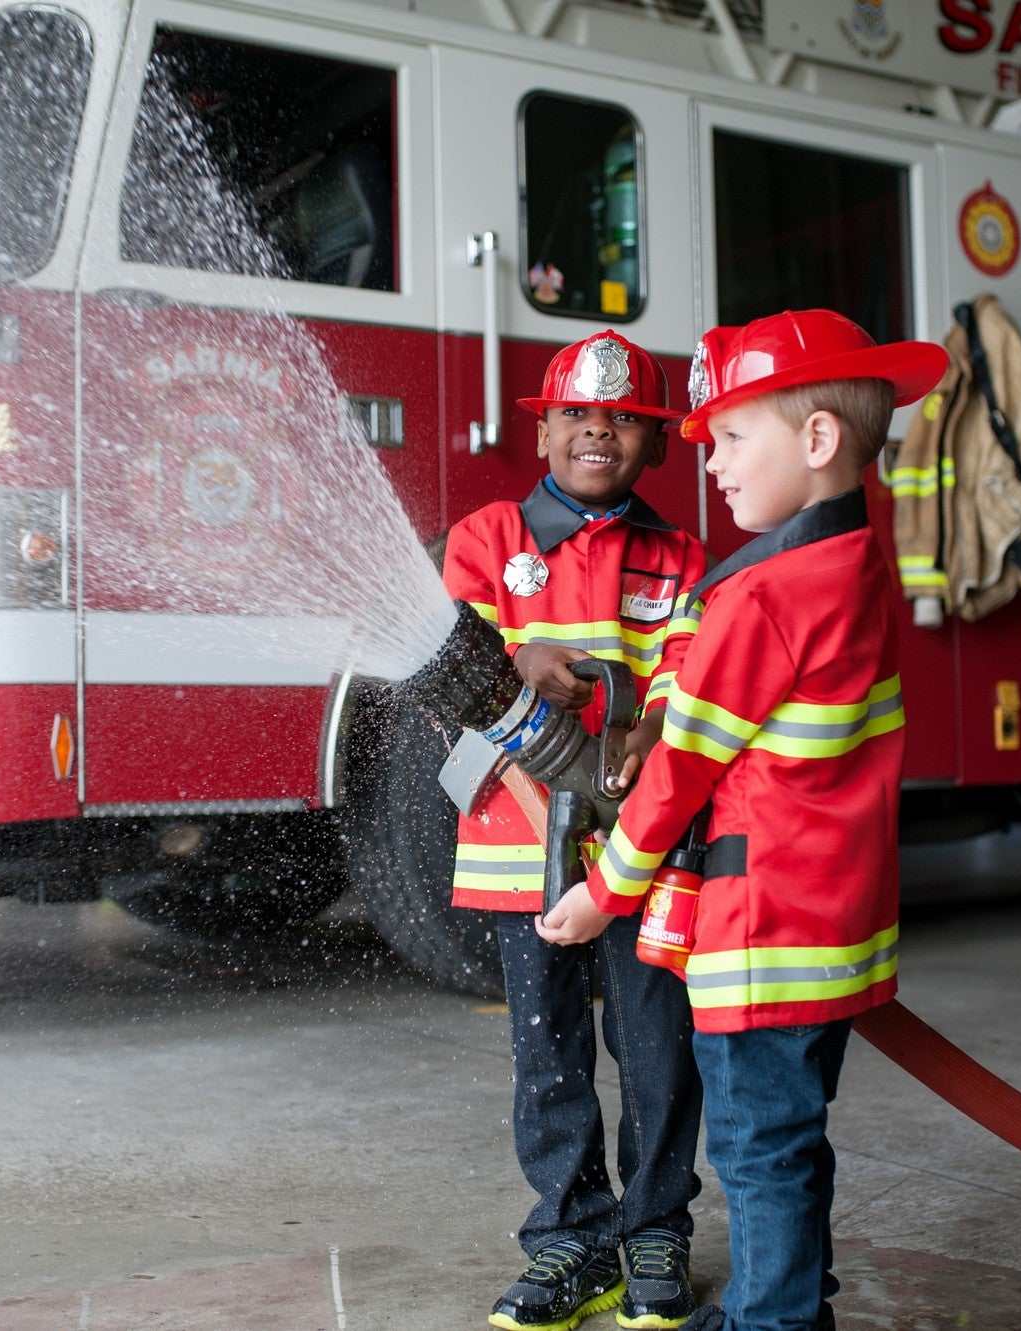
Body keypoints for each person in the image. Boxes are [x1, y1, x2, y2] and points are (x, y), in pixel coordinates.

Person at [537, 310, 948, 1331]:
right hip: (835, 924)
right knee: (793, 1134)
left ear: (815, 442)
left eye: (728, 438)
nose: (709, 463)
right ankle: (789, 1294)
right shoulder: (852, 569)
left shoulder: (763, 594)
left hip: (761, 935)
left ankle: (772, 1317)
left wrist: (602, 893)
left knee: (759, 1144)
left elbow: (677, 777)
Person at [441, 328, 710, 1331]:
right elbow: (443, 671)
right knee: (545, 1052)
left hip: (642, 856)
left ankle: (652, 1230)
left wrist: (648, 722)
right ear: (542, 428)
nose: (597, 430)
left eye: (624, 420)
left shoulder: (680, 559)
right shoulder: (486, 541)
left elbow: (691, 676)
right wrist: (520, 658)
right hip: (520, 854)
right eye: (577, 415)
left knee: (655, 1046)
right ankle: (569, 1239)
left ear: (655, 443)